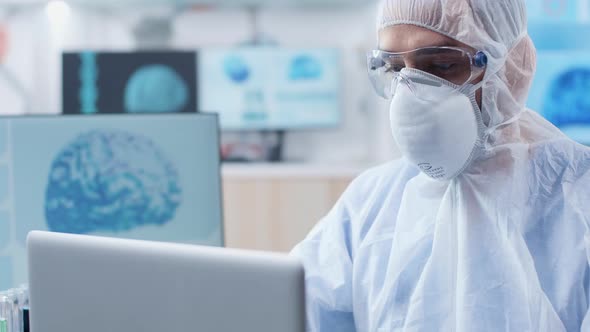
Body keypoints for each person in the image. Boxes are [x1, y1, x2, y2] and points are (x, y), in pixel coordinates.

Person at [290, 0, 590, 331]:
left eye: (442, 65)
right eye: (393, 69)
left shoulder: (578, 200)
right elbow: (294, 311)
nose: (410, 93)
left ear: (513, 66)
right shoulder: (370, 202)